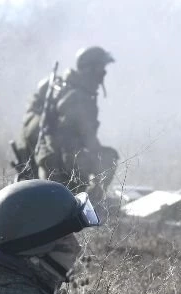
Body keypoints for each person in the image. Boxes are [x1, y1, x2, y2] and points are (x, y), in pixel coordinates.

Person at [19, 46, 119, 205]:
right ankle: (92, 205)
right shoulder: (78, 97)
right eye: (101, 68)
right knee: (109, 158)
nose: (103, 73)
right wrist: (86, 173)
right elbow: (80, 139)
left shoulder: (72, 89)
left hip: (53, 157)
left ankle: (87, 202)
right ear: (90, 69)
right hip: (59, 160)